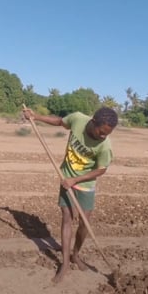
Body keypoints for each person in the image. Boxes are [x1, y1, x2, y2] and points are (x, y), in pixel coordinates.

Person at [22, 106, 118, 283]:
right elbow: (60, 122)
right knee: (67, 218)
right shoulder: (78, 118)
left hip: (85, 183)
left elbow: (101, 170)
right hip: (65, 178)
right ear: (93, 122)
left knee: (84, 223)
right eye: (101, 132)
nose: (103, 136)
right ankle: (65, 263)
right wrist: (35, 117)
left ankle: (76, 254)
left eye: (107, 134)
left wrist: (76, 180)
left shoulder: (105, 146)